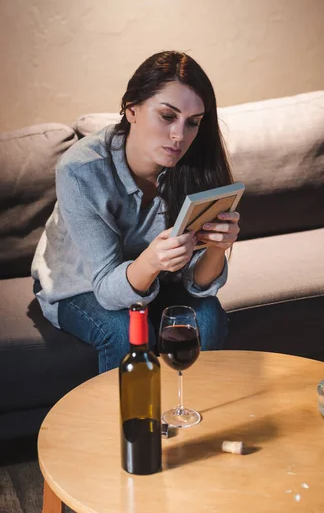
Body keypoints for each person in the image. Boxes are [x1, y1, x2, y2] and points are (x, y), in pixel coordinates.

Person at [32, 50, 240, 373]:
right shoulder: (81, 170)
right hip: (79, 285)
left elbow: (195, 283)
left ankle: (191, 416)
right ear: (132, 109)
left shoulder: (194, 165)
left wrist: (218, 247)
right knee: (122, 329)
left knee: (208, 316)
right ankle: (130, 423)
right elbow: (105, 289)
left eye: (193, 123)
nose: (179, 136)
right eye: (168, 116)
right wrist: (153, 260)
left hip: (154, 279)